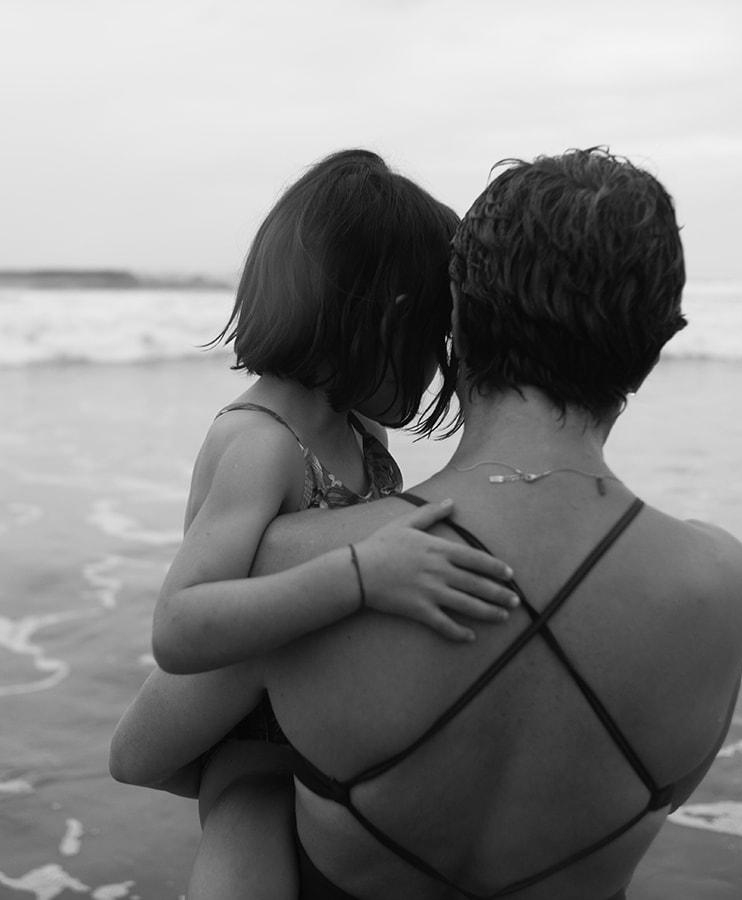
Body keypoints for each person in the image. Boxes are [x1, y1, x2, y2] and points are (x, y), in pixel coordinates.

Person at [112, 148, 742, 899]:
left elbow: (140, 754)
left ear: (461, 319)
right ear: (655, 344)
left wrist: (243, 792)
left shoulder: (295, 559)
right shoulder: (722, 586)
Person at [148, 149, 519, 899]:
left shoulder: (360, 437)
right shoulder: (260, 445)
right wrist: (361, 576)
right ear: (389, 319)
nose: (431, 374)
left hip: (311, 716)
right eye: (430, 347)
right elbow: (179, 626)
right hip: (246, 736)